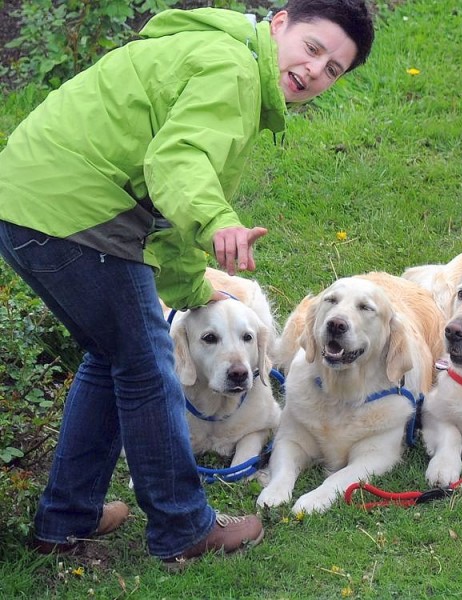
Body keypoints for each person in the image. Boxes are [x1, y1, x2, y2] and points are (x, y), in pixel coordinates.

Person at [0, 0, 373, 567]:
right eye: (313, 48)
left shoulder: (221, 54)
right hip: (72, 212)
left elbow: (162, 198)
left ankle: (66, 518)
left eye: (333, 69)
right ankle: (182, 527)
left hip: (35, 203)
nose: (314, 72)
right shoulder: (233, 70)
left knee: (114, 356)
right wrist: (218, 221)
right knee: (148, 366)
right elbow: (179, 161)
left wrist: (191, 289)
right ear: (279, 24)